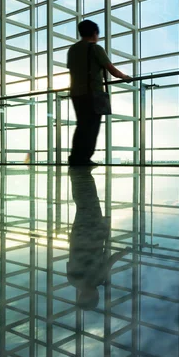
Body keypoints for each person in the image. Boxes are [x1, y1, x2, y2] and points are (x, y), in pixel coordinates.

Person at [67, 20, 131, 166]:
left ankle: (76, 157)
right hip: (92, 93)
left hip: (76, 93)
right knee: (92, 127)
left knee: (82, 125)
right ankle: (84, 158)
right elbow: (111, 69)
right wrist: (125, 77)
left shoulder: (73, 50)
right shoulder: (95, 48)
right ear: (95, 33)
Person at [67, 167, 129, 310]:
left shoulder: (85, 279)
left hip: (90, 233)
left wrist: (124, 252)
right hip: (83, 233)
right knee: (86, 204)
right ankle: (81, 173)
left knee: (87, 203)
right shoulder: (77, 280)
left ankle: (79, 173)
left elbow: (109, 262)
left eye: (95, 297)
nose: (97, 295)